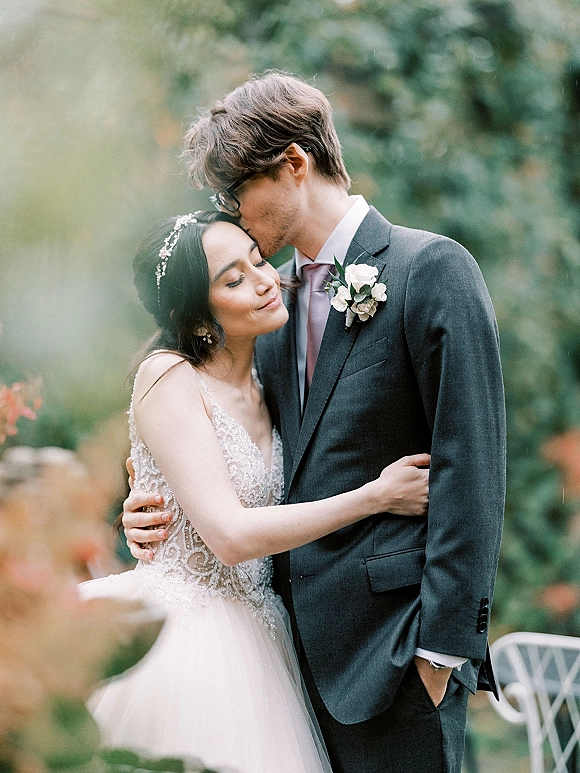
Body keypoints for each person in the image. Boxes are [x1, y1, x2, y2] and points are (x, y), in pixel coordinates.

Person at [123, 72, 506, 773]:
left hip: (397, 665)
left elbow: (473, 470)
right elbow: (226, 446)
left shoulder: (432, 269)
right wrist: (152, 504)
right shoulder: (270, 311)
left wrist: (439, 655)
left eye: (236, 190)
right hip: (282, 675)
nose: (231, 211)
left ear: (294, 164)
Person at [81, 210, 430, 773]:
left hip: (266, 634)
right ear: (193, 312)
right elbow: (229, 535)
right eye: (233, 278)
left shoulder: (273, 373)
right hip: (187, 639)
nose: (266, 279)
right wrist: (377, 496)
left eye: (259, 259)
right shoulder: (168, 375)